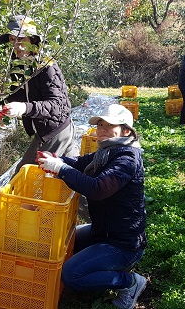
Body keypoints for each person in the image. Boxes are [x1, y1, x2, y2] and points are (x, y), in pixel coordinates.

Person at [37, 104, 147, 309]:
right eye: (100, 125)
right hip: (103, 230)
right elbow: (79, 162)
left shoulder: (127, 158)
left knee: (72, 274)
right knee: (64, 239)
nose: (102, 129)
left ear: (126, 131)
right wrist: (58, 160)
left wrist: (61, 169)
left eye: (110, 125)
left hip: (123, 244)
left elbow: (98, 189)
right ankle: (99, 261)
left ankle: (129, 283)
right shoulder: (106, 152)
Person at [0, 15, 78, 173]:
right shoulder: (18, 65)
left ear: (32, 40)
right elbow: (17, 93)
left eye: (21, 39)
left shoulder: (46, 66)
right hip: (46, 128)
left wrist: (24, 108)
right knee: (70, 175)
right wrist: (0, 106)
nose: (16, 45)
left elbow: (57, 105)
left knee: (25, 176)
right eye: (12, 39)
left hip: (55, 129)